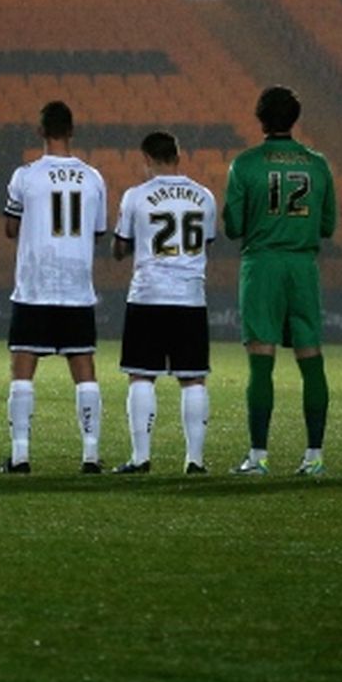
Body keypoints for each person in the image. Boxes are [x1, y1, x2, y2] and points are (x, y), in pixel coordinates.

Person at [222, 85, 338, 477]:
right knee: (311, 358)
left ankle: (258, 457)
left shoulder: (246, 164)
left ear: (259, 119)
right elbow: (328, 225)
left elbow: (234, 226)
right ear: (295, 119)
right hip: (303, 267)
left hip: (263, 265)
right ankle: (315, 456)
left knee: (261, 363)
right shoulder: (317, 164)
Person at [2, 100, 109, 474]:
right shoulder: (93, 178)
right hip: (77, 287)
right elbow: (96, 233)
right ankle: (91, 455)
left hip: (35, 286)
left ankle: (19, 455)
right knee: (84, 369)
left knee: (22, 369)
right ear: (72, 131)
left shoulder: (26, 176)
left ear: (40, 132)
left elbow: (11, 228)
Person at [110, 132, 219, 475]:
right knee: (193, 379)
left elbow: (119, 248)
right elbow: (207, 242)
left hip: (148, 295)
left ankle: (141, 458)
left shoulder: (137, 196)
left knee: (141, 376)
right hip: (189, 297)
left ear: (147, 159)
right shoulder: (204, 196)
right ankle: (195, 461)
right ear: (178, 155)